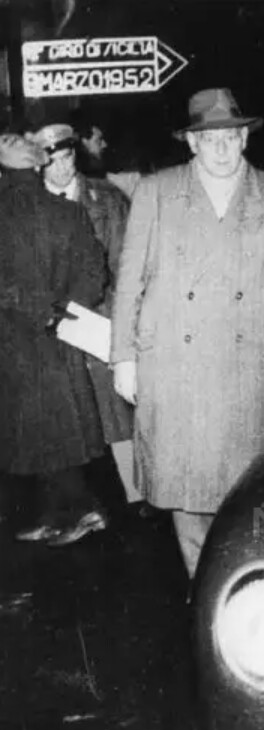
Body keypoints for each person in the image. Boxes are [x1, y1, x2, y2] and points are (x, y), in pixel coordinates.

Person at [110, 88, 264, 578]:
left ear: (245, 138)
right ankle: (203, 585)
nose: (221, 148)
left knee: (246, 487)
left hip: (244, 364)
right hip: (174, 362)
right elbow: (130, 277)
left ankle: (245, 583)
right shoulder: (156, 192)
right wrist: (124, 358)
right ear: (192, 143)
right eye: (210, 138)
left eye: (230, 136)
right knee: (186, 489)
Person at [30, 123, 142, 530]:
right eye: (53, 161)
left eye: (68, 157)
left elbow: (128, 263)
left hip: (103, 317)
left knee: (117, 413)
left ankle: (138, 500)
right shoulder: (29, 204)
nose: (63, 168)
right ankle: (84, 506)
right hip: (54, 326)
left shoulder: (106, 198)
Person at [1, 133, 110, 545]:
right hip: (61, 336)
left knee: (35, 432)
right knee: (60, 429)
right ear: (37, 166)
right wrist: (62, 311)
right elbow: (95, 272)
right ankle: (59, 514)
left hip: (13, 339)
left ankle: (82, 511)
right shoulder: (67, 212)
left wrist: (37, 309)